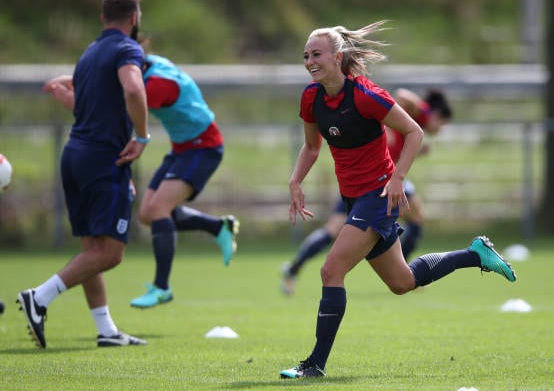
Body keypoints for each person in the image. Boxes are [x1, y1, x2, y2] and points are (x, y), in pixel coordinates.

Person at [279, 20, 516, 379]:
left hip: (377, 195)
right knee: (402, 283)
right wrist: (296, 180)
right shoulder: (311, 98)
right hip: (354, 198)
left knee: (331, 270)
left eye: (317, 54)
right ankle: (475, 254)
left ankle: (314, 365)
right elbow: (312, 146)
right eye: (306, 55)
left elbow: (414, 131)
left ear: (338, 57)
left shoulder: (365, 95)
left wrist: (398, 178)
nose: (310, 61)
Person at [17, 0, 148, 349]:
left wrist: (65, 95)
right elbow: (134, 91)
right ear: (134, 18)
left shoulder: (89, 53)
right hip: (104, 159)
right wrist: (143, 136)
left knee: (92, 245)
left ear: (102, 17)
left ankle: (106, 330)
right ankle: (40, 297)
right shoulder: (126, 49)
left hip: (75, 155)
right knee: (110, 253)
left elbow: (89, 109)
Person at [280, 87, 452, 295]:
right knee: (417, 217)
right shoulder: (420, 114)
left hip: (361, 179)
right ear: (437, 115)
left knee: (332, 230)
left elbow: (400, 147)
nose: (439, 130)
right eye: (442, 125)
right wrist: (394, 127)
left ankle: (293, 268)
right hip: (375, 180)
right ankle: (406, 271)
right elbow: (403, 95)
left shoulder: (406, 127)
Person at [129, 54, 239, 308]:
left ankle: (162, 287)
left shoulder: (156, 86)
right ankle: (219, 227)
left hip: (204, 148)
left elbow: (126, 113)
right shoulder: (153, 63)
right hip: (182, 148)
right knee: (147, 214)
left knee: (158, 210)